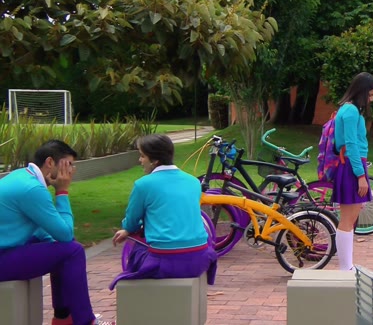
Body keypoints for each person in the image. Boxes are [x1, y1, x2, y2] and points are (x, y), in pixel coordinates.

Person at [0, 140, 113, 325]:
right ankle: (85, 321)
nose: (71, 171)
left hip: (7, 249)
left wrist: (59, 242)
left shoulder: (23, 176)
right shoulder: (32, 189)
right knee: (73, 251)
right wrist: (62, 192)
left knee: (64, 249)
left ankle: (63, 318)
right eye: (68, 165)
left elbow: (44, 230)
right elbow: (65, 233)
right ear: (50, 162)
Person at [110, 134, 217, 289]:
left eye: (142, 156)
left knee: (137, 250)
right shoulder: (193, 182)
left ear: (155, 160)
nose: (140, 160)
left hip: (165, 262)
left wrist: (127, 230)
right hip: (199, 259)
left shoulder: (143, 185)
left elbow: (131, 222)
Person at [331, 72, 373, 271]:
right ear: (362, 92)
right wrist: (360, 175)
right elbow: (351, 144)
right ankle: (345, 267)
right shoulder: (351, 112)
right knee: (348, 219)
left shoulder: (347, 109)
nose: (371, 99)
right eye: (370, 95)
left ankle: (347, 265)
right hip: (352, 166)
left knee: (350, 219)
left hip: (351, 164)